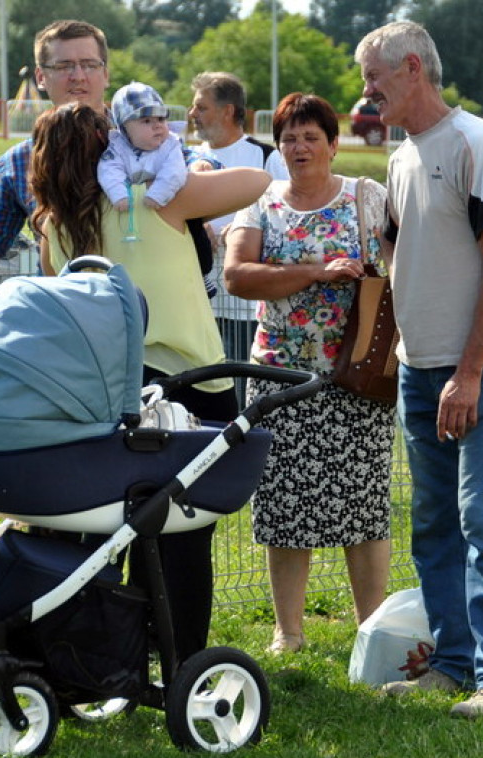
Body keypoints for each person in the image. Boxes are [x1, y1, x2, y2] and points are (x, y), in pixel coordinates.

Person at [31, 103, 271, 663]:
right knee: (183, 532)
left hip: (110, 388)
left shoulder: (54, 228)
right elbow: (259, 179)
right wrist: (194, 172)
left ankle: (111, 655)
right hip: (191, 385)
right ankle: (182, 658)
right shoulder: (158, 200)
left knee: (114, 526)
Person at [355, 21, 483, 719]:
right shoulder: (402, 157)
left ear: (410, 69)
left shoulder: (477, 142)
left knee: (482, 520)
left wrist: (469, 372)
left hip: (478, 372)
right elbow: (401, 252)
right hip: (417, 371)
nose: (366, 94)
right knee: (433, 525)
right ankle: (454, 666)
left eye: (373, 78)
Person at [223, 92, 393, 655]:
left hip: (358, 377)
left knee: (363, 504)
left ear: (333, 143)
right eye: (288, 138)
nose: (298, 148)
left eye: (309, 137)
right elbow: (238, 277)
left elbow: (404, 268)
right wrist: (316, 273)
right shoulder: (261, 205)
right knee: (284, 506)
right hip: (279, 379)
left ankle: (371, 629)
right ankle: (287, 632)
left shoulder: (368, 199)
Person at [0, 19, 215, 286]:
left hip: (158, 308)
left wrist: (203, 165)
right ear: (40, 77)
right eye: (63, 66)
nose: (77, 75)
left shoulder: (149, 138)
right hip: (70, 318)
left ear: (105, 74)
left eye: (89, 65)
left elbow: (198, 166)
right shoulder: (18, 163)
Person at [188, 71, 290, 403]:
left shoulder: (265, 157)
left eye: (201, 107)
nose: (193, 115)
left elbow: (288, 212)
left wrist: (245, 228)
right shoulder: (186, 158)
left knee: (242, 391)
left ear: (229, 111)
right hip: (196, 299)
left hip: (246, 307)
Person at [98, 82, 187, 213]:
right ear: (125, 129)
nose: (157, 126)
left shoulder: (170, 145)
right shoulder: (117, 147)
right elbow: (108, 170)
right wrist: (119, 195)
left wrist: (158, 194)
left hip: (167, 206)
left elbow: (175, 171)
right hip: (131, 214)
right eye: (146, 121)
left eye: (161, 119)